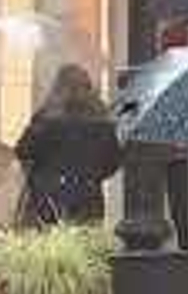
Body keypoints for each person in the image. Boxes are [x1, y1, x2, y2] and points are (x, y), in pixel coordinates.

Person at [14, 63, 123, 226]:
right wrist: (91, 176)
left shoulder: (48, 115)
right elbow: (113, 161)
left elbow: (23, 150)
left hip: (50, 195)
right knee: (87, 244)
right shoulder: (101, 116)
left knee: (52, 245)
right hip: (89, 195)